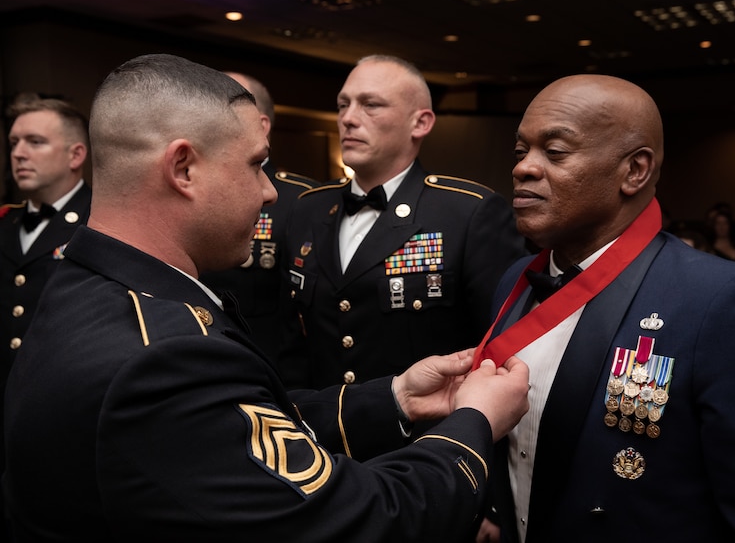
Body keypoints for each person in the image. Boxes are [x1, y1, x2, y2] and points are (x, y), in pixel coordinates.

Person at [3, 53, 530, 542]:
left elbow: (234, 428)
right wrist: (473, 422)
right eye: (256, 164)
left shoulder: (80, 283)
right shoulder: (166, 352)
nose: (271, 191)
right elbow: (363, 519)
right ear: (183, 168)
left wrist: (393, 398)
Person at [473, 74, 735, 541]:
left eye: (554, 152)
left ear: (635, 171)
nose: (523, 169)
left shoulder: (725, 302)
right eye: (521, 152)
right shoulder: (513, 282)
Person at [277, 54, 526, 389]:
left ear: (420, 123)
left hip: (426, 433)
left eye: (371, 105)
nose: (348, 118)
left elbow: (500, 347)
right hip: (317, 428)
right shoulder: (308, 207)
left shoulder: (467, 213)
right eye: (343, 105)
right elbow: (290, 340)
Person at [0, 96, 91, 538]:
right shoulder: (4, 224)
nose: (18, 152)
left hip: (68, 424)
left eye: (35, 141)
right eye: (15, 141)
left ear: (77, 155)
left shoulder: (101, 223)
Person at [200, 71, 317, 360]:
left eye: (220, 108)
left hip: (266, 364)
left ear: (260, 124)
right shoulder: (196, 187)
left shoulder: (303, 198)